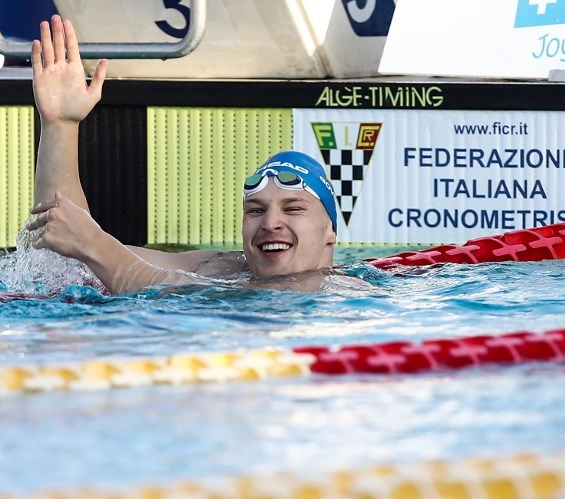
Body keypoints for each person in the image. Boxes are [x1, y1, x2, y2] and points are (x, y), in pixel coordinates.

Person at [24, 16, 347, 294]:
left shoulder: (331, 293)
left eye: (293, 208)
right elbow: (69, 259)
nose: (270, 223)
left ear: (330, 230)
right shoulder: (221, 266)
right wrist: (61, 126)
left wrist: (95, 244)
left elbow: (175, 294)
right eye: (255, 211)